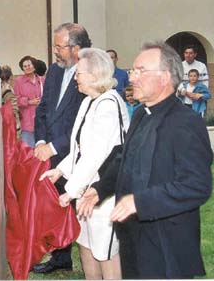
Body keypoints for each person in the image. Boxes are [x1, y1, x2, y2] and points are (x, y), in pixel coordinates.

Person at [111, 40, 213, 279]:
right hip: (133, 238)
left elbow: (196, 186)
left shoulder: (186, 123)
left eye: (140, 71)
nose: (132, 78)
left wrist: (139, 202)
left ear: (165, 77)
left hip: (166, 245)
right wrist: (99, 188)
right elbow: (125, 162)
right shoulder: (140, 116)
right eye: (132, 71)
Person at [40, 48, 129, 279]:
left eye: (79, 73)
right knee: (87, 245)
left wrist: (70, 191)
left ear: (94, 75)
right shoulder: (90, 101)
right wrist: (60, 170)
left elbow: (96, 155)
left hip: (104, 192)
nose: (76, 77)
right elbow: (79, 147)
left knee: (105, 251)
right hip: (85, 190)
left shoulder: (108, 104)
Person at [32, 23, 89, 274]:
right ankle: (60, 258)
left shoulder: (90, 73)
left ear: (76, 48)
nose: (55, 51)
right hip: (51, 154)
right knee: (56, 207)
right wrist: (41, 142)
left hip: (78, 156)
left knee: (79, 209)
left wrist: (54, 146)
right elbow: (43, 109)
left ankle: (94, 257)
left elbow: (83, 122)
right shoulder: (55, 71)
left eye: (59, 46)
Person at [14, 56, 44, 147]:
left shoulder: (42, 80)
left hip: (42, 121)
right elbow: (16, 100)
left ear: (34, 66)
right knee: (28, 152)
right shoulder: (18, 81)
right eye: (25, 66)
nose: (27, 67)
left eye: (29, 65)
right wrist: (29, 102)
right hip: (27, 122)